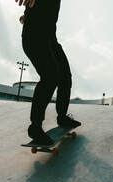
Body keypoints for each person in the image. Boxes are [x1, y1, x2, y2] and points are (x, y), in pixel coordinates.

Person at [15, 0, 81, 145]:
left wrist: (27, 14)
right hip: (33, 37)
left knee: (65, 77)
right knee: (50, 76)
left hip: (50, 39)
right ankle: (35, 127)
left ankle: (62, 117)